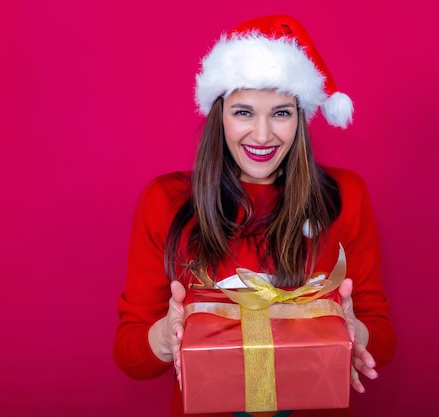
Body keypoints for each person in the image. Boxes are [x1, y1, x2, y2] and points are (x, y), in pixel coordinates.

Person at [113, 14, 396, 417]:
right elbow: (129, 355)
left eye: (281, 113)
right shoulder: (165, 201)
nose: (262, 136)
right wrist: (164, 337)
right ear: (219, 114)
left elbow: (381, 338)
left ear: (301, 118)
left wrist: (357, 332)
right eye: (244, 112)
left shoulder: (346, 196)